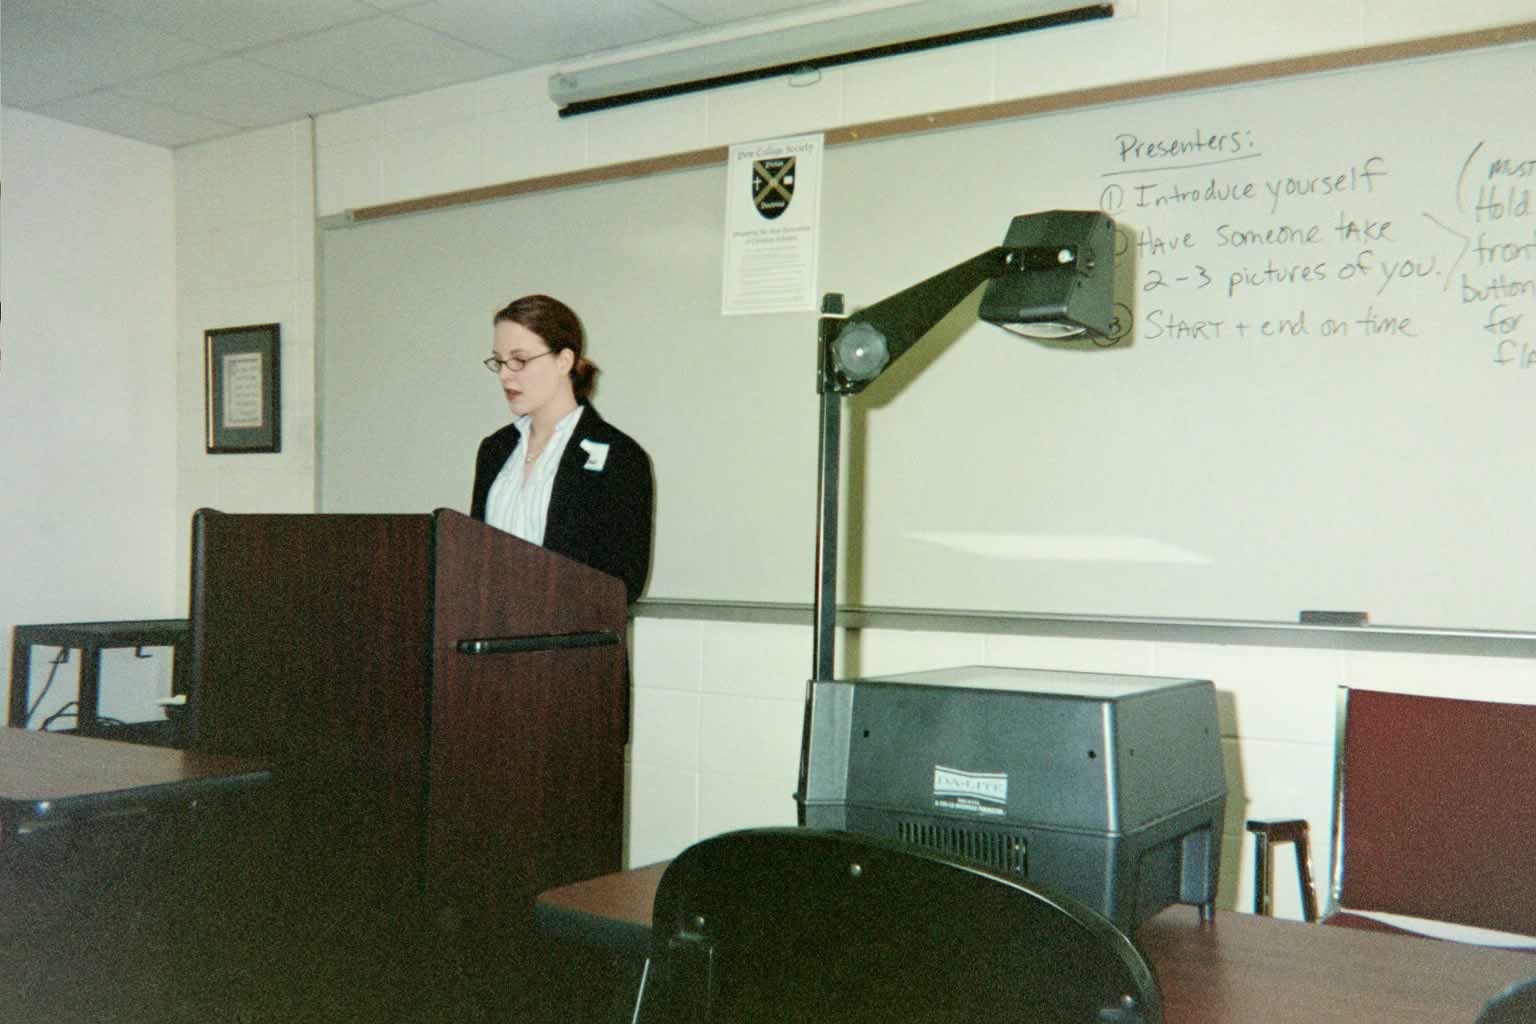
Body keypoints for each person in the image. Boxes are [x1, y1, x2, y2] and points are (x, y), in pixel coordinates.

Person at [469, 294, 653, 603]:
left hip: (570, 631)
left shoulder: (619, 456)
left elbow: (624, 582)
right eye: (499, 361)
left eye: (519, 360)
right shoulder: (495, 450)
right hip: (492, 630)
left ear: (564, 361)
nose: (504, 374)